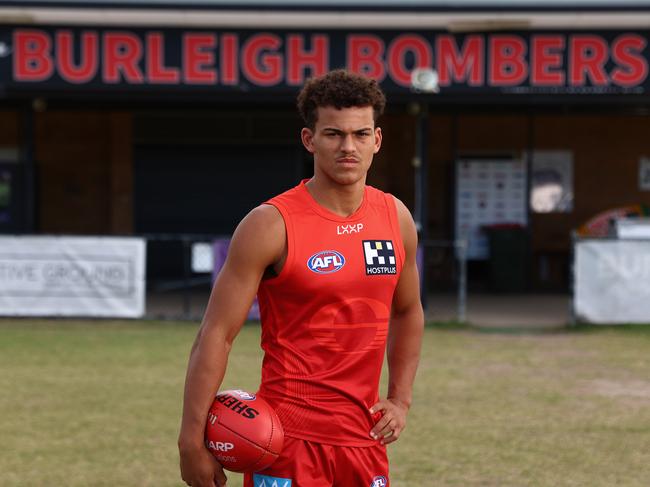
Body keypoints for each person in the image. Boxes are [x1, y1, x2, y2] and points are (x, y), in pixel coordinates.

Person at [178, 69, 424, 487]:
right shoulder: (270, 224)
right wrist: (190, 441)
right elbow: (215, 335)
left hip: (364, 441)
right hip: (285, 442)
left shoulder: (395, 218)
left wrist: (400, 399)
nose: (348, 147)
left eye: (361, 134)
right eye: (333, 134)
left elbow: (407, 311)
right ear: (309, 139)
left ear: (376, 140)